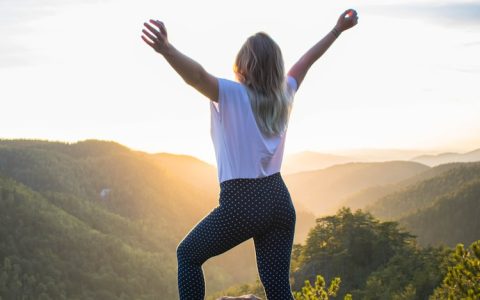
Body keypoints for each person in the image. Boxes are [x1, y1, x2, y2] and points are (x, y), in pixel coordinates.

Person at [141, 9, 358, 300]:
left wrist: (167, 50)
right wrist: (336, 30)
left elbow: (196, 76)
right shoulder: (285, 94)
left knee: (188, 255)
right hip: (280, 200)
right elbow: (306, 63)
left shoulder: (231, 93)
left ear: (243, 63)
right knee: (279, 289)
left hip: (243, 201)